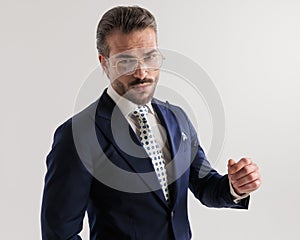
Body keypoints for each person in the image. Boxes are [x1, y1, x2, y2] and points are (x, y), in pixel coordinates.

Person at [41, 6, 261, 240]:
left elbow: (205, 185)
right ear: (104, 63)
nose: (142, 72)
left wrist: (235, 186)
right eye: (126, 62)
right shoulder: (78, 135)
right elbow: (59, 234)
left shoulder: (177, 118)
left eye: (150, 57)